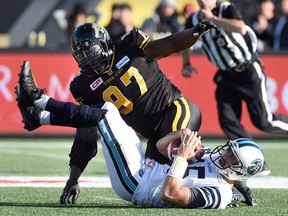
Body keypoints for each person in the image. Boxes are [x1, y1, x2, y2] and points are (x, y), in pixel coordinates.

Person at [17, 20, 218, 205]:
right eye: (83, 55)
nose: (90, 59)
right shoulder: (83, 85)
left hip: (175, 109)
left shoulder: (130, 46)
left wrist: (194, 32)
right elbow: (87, 129)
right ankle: (224, 180)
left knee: (176, 151)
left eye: (93, 51)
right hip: (154, 136)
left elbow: (171, 44)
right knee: (155, 177)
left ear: (104, 43)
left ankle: (39, 107)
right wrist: (73, 179)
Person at [15, 72, 264, 209]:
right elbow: (158, 146)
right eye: (229, 149)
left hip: (137, 185)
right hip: (144, 169)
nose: (224, 154)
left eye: (231, 156)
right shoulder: (216, 162)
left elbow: (170, 194)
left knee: (104, 116)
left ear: (238, 169)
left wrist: (180, 158)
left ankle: (38, 101)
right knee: (110, 112)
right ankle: (40, 117)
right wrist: (179, 136)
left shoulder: (219, 194)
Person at [182, 0, 288, 179]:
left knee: (264, 121)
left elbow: (240, 27)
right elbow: (186, 40)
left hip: (247, 70)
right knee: (228, 120)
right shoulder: (193, 19)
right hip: (225, 74)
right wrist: (186, 63)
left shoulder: (225, 8)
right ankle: (255, 159)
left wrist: (214, 19)